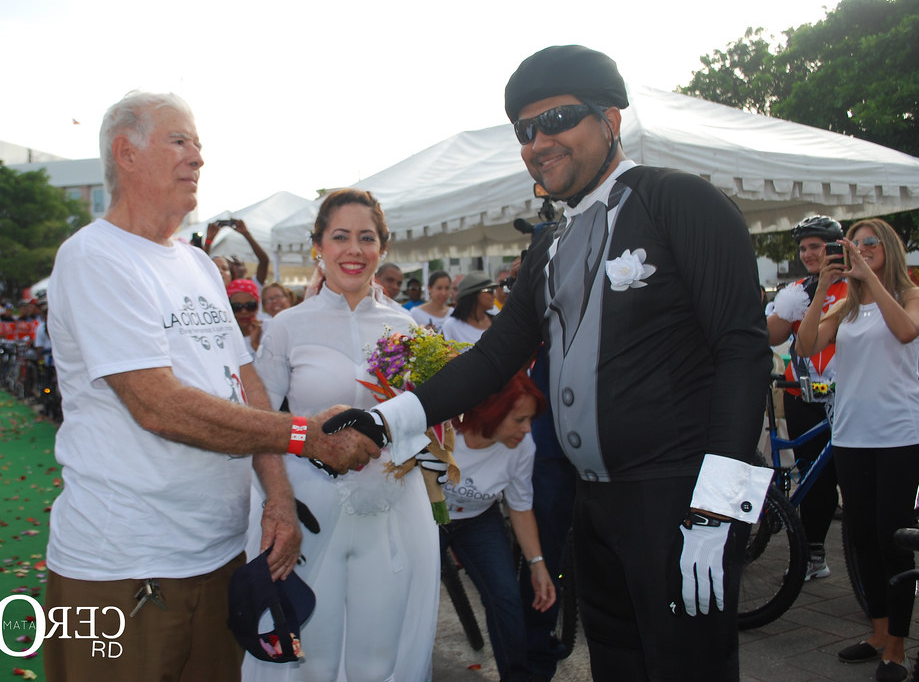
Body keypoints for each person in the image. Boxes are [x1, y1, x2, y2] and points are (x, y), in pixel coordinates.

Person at [328, 45, 772, 681]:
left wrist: (720, 510)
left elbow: (742, 349)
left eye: (558, 118)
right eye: (525, 130)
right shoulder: (551, 243)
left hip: (675, 495)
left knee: (688, 668)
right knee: (616, 664)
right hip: (594, 505)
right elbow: (496, 356)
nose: (539, 141)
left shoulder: (681, 201)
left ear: (610, 119)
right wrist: (382, 421)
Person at [42, 91, 379, 682]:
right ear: (125, 153)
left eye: (198, 144)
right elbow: (158, 405)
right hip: (124, 566)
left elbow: (243, 380)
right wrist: (304, 434)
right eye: (180, 141)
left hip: (220, 557)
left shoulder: (196, 264)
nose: (198, 157)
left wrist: (276, 496)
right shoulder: (93, 257)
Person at [247, 188, 439, 682]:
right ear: (318, 246)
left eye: (366, 238)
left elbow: (426, 419)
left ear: (383, 247)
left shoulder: (408, 326)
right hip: (310, 507)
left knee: (378, 658)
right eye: (340, 237)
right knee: (314, 655)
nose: (354, 250)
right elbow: (260, 420)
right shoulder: (288, 327)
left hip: (391, 507)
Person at [795, 218, 919, 682]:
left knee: (893, 536)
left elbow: (907, 331)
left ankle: (898, 649)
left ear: (888, 248)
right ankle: (879, 631)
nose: (862, 249)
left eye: (871, 243)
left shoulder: (908, 296)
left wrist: (870, 284)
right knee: (862, 536)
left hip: (899, 435)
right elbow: (806, 346)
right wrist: (824, 287)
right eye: (856, 244)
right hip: (851, 434)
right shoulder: (846, 305)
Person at [441, 371, 556, 682]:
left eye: (530, 419)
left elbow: (520, 507)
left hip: (477, 519)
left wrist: (538, 565)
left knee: (505, 597)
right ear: (492, 411)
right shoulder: (444, 432)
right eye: (519, 419)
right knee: (414, 599)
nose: (527, 428)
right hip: (428, 519)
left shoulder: (522, 447)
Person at [767, 215, 846, 580]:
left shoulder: (854, 287)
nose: (808, 254)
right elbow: (772, 335)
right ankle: (814, 552)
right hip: (801, 393)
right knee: (815, 475)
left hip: (846, 394)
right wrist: (782, 307)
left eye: (816, 246)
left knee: (844, 473)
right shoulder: (797, 289)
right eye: (803, 248)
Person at [204, 218, 271, 289]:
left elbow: (264, 261)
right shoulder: (212, 289)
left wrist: (246, 234)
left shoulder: (251, 286)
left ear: (245, 269)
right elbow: (201, 266)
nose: (220, 271)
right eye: (216, 268)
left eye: (237, 264)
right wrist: (208, 241)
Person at [441, 272, 495, 344]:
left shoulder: (496, 322)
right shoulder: (451, 326)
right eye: (489, 291)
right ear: (474, 294)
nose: (494, 296)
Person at [228, 278, 263, 355]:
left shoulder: (269, 331)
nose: (244, 311)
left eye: (250, 306)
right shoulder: (224, 338)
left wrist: (255, 345)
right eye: (237, 307)